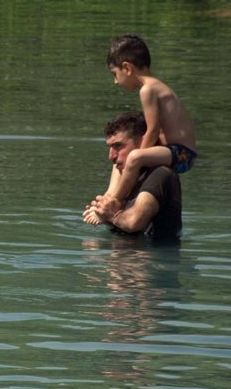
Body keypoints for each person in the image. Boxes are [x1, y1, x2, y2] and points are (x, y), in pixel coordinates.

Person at [94, 35, 196, 212]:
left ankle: (114, 202)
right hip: (173, 151)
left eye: (115, 74)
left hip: (182, 155)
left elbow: (153, 130)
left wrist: (138, 156)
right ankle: (110, 195)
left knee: (133, 157)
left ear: (127, 68)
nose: (116, 81)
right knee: (124, 156)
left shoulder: (147, 90)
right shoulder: (154, 86)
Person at [83, 111, 182, 241]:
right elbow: (112, 207)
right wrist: (101, 212)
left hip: (150, 257)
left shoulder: (160, 174)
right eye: (110, 147)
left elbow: (134, 222)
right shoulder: (124, 171)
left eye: (118, 146)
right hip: (122, 252)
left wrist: (110, 215)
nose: (111, 156)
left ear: (142, 142)